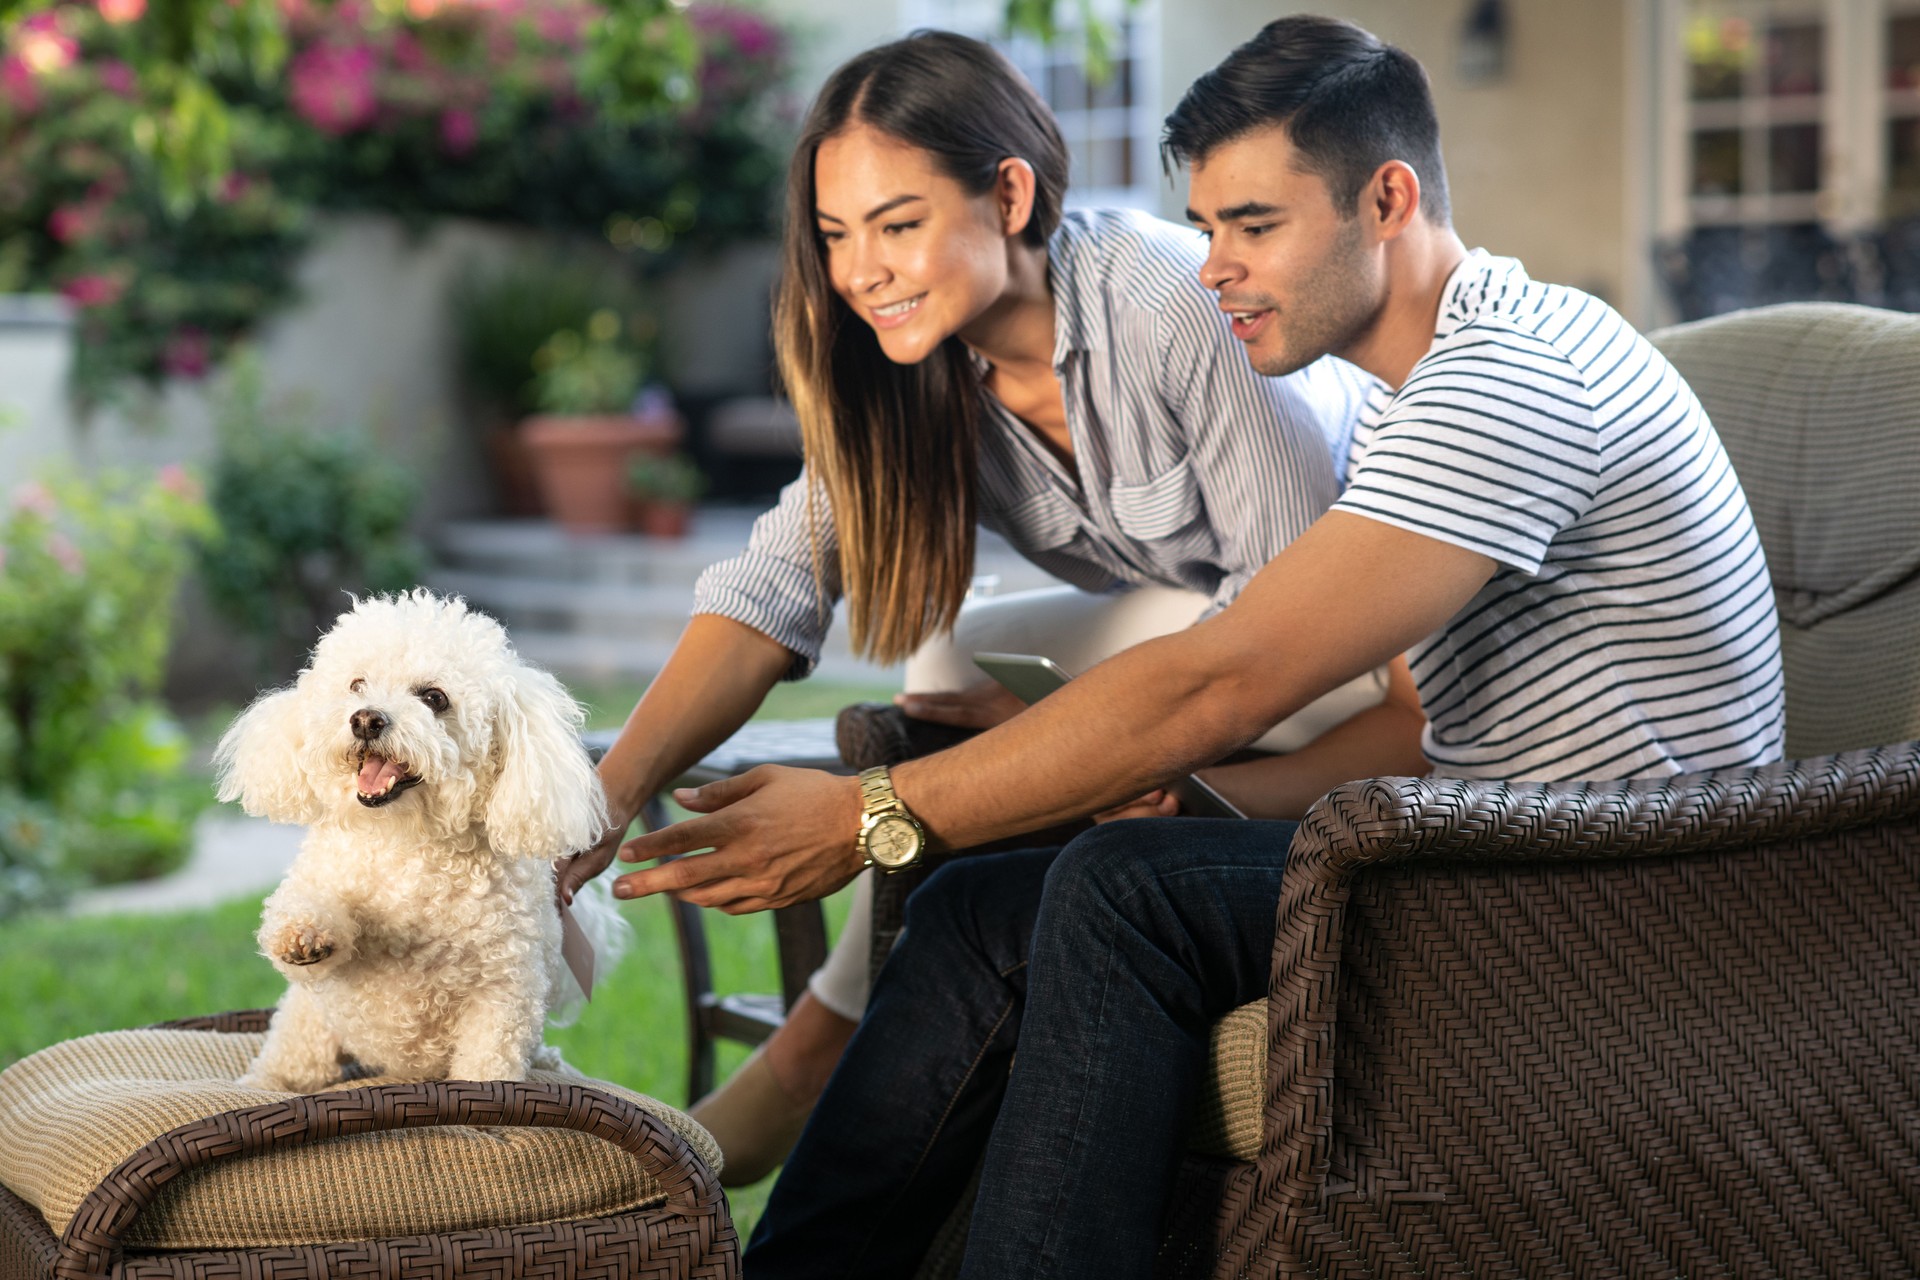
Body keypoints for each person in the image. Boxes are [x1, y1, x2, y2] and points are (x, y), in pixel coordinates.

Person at [612, 14, 1787, 1277]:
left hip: (1630, 885)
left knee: (1127, 893)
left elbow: (1232, 672)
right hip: (1473, 831)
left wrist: (869, 815)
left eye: (1256, 226)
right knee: (977, 907)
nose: (1213, 265)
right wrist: (1191, 793)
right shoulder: (1410, 401)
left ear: (1385, 198)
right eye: (1210, 225)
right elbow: (1407, 721)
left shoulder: (1509, 378)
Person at [555, 29, 1422, 1183]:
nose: (860, 268)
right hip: (1181, 635)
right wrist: (602, 800)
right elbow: (772, 585)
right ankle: (858, 1027)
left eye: (897, 223)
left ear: (1008, 193)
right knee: (952, 664)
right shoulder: (923, 372)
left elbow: (1283, 605)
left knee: (1076, 662)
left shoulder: (1170, 300)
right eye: (834, 235)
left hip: (1348, 645)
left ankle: (816, 1046)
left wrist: (1086, 741)